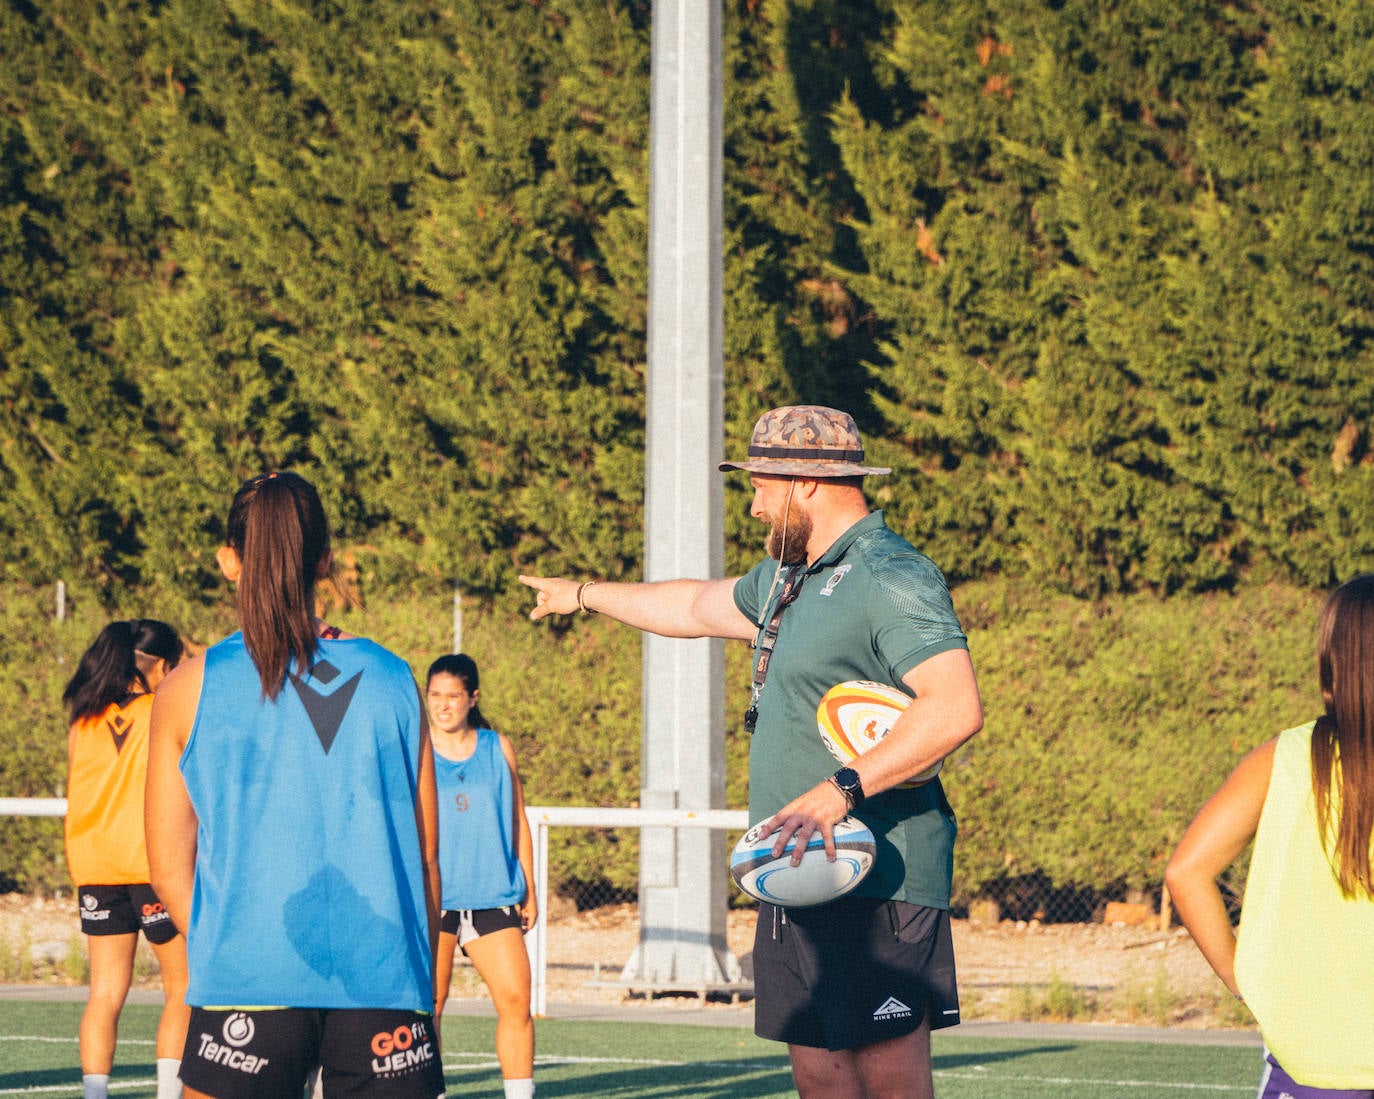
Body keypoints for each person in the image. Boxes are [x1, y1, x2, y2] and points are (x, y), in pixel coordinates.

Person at [520, 404, 983, 1099]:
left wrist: (839, 791)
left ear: (805, 483)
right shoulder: (787, 579)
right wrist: (582, 594)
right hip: (793, 870)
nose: (756, 504)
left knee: (888, 1084)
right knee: (820, 1081)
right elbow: (694, 607)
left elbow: (954, 706)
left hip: (879, 877)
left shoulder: (891, 572)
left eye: (761, 485)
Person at [145, 471, 444, 1099]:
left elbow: (169, 868)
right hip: (383, 980)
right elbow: (425, 861)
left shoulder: (187, 687)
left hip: (247, 981)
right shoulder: (395, 678)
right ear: (325, 560)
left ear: (229, 561)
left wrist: (236, 947)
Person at [1166, 575, 1374, 1098]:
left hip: (1311, 1058)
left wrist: (1246, 981)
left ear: (1332, 658)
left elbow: (1186, 872)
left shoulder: (1281, 758)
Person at [64, 618, 191, 1099]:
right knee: (182, 985)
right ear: (160, 665)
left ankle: (95, 1095)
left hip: (95, 866)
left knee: (104, 993)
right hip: (153, 864)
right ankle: (167, 1094)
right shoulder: (164, 708)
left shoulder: (84, 717)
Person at [425, 654, 537, 1099]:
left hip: (492, 897)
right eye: (435, 695)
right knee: (427, 1009)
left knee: (516, 1002)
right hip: (435, 901)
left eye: (453, 696)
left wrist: (530, 887)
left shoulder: (497, 746)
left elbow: (517, 820)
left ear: (473, 698)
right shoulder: (414, 750)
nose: (443, 705)